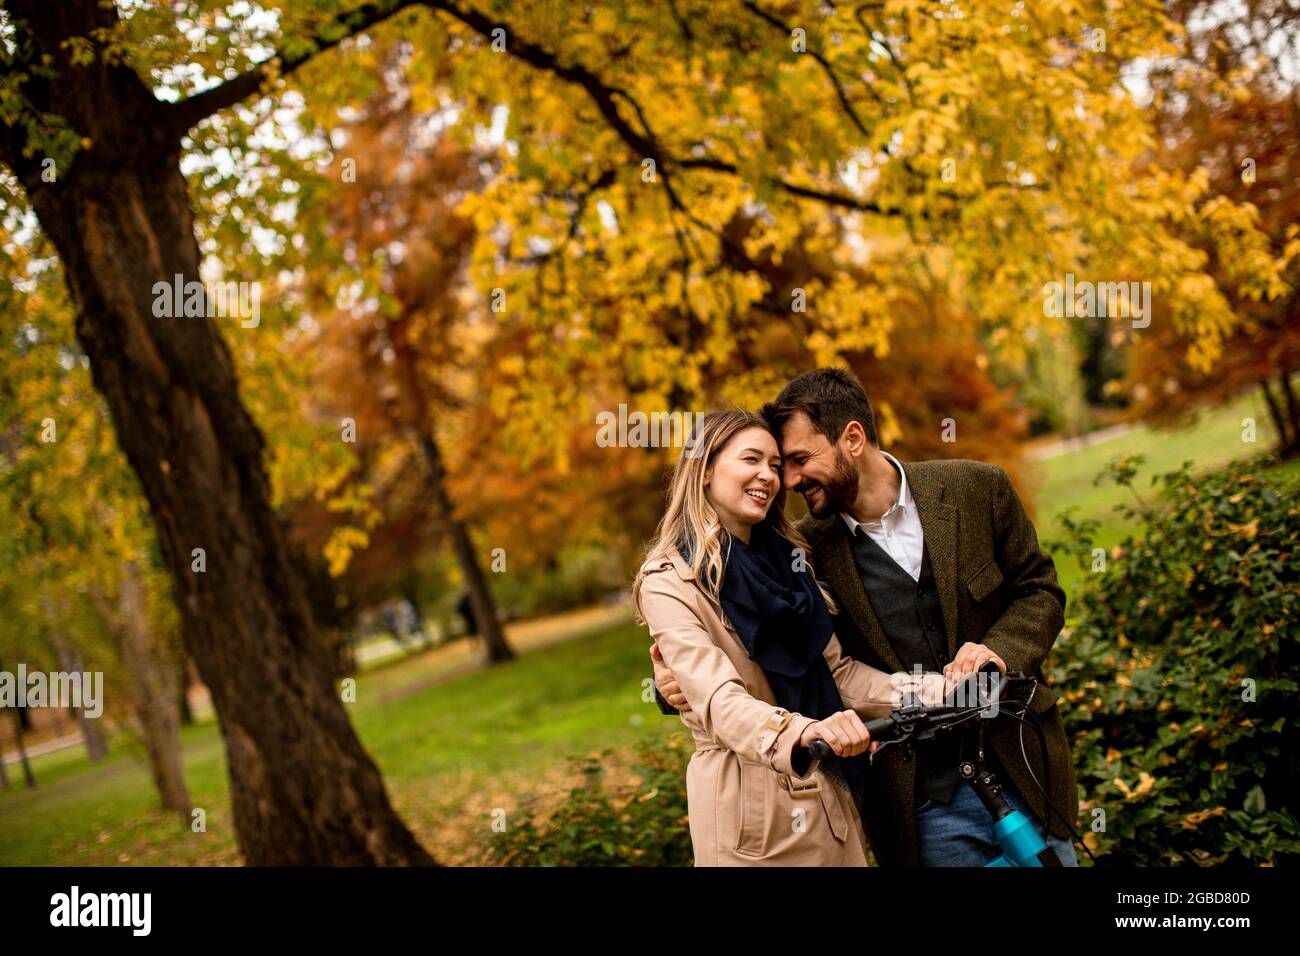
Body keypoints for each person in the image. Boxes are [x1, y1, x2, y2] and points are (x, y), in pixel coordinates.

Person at [653, 368, 1080, 867]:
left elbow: (1039, 591)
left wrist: (998, 654)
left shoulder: (975, 489)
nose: (785, 480)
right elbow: (739, 651)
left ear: (852, 438)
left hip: (1020, 765)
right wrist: (668, 682)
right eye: (768, 462)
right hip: (918, 799)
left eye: (794, 460)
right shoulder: (807, 551)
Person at [633, 408, 939, 866]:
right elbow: (720, 701)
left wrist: (934, 690)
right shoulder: (669, 582)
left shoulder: (792, 562)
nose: (769, 476)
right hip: (751, 820)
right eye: (751, 460)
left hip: (829, 794)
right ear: (705, 470)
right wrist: (804, 729)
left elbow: (838, 676)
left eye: (775, 465)